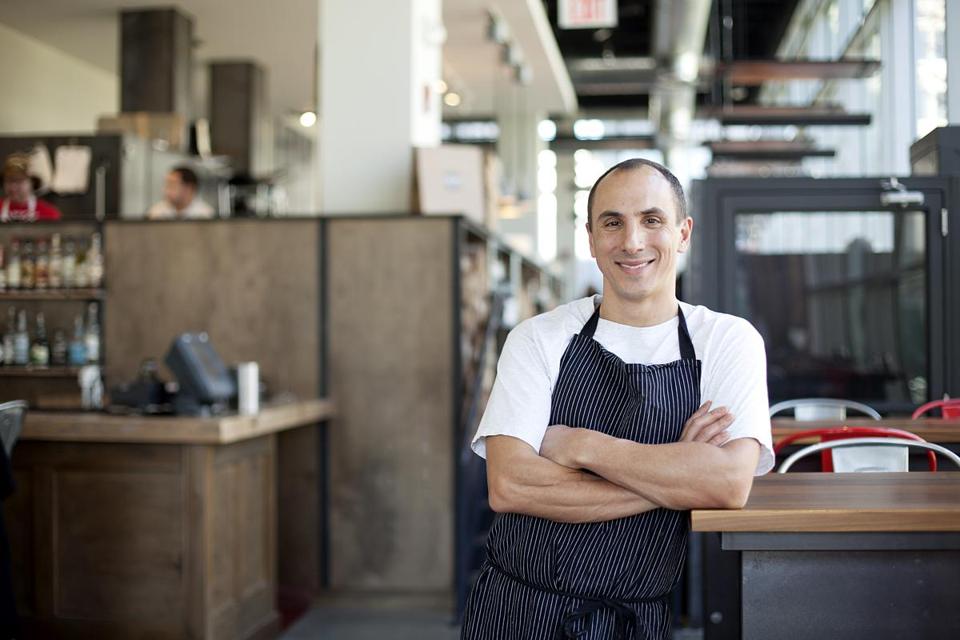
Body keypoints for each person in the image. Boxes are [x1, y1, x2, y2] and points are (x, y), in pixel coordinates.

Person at [461, 158, 773, 640]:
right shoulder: (539, 338)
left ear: (683, 233)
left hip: (636, 621)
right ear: (591, 238)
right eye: (612, 223)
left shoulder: (727, 341)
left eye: (652, 220)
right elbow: (510, 486)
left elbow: (729, 484)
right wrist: (678, 472)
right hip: (517, 612)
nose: (632, 241)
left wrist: (582, 446)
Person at [0, 153, 62, 222]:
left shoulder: (49, 213)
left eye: (19, 181)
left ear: (32, 182)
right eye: (9, 181)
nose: (13, 187)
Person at [147, 166, 214, 219]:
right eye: (167, 185)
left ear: (189, 188)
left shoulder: (206, 215)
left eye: (172, 185)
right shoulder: (156, 213)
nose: (165, 190)